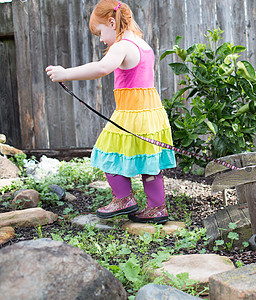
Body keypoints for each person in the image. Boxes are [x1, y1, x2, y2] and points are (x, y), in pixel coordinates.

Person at [46, 0, 176, 224]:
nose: (100, 39)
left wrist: (65, 73)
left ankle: (123, 198)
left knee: (106, 153)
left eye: (100, 32)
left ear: (112, 22)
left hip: (131, 113)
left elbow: (102, 68)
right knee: (149, 163)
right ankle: (157, 208)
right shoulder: (142, 44)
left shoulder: (122, 45)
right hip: (152, 114)